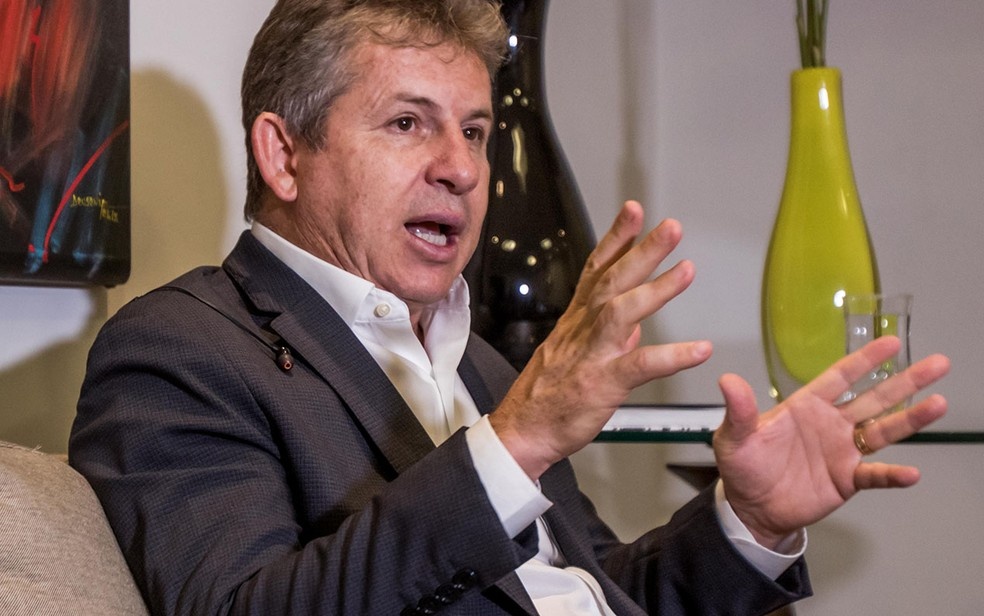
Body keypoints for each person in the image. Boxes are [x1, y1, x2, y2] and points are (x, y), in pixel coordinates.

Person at [69, 1, 951, 614]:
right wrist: (514, 442)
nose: (462, 168)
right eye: (408, 123)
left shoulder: (480, 365)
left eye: (476, 132)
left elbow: (599, 591)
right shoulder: (177, 352)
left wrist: (749, 523)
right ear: (284, 154)